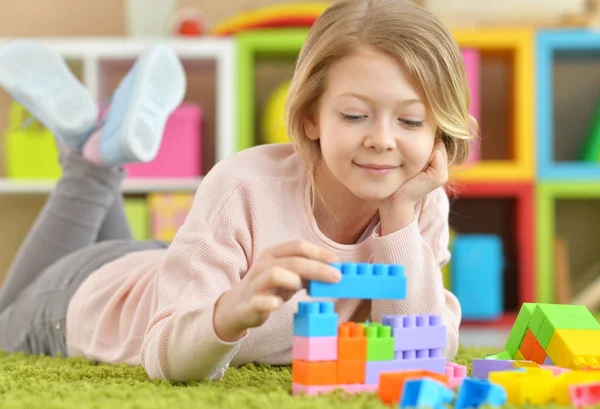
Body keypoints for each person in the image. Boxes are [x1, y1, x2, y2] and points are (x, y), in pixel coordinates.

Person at [0, 0, 476, 383]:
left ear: (437, 132)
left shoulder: (416, 197)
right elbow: (164, 352)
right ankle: (90, 165)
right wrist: (231, 312)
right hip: (85, 303)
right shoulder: (243, 186)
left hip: (162, 265)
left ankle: (96, 155)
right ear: (310, 116)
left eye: (411, 121)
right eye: (354, 115)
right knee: (4, 322)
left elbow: (421, 349)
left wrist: (398, 219)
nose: (383, 139)